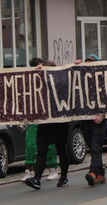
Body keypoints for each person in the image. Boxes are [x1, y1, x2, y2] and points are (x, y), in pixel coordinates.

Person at [24, 62, 71, 190]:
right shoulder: (40, 83)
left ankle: (64, 177)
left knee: (61, 150)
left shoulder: (62, 82)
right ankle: (37, 179)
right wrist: (36, 71)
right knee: (42, 150)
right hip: (45, 123)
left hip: (60, 122)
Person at [76, 54, 107, 187]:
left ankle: (93, 173)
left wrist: (103, 114)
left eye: (92, 62)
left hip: (99, 119)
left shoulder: (102, 80)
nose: (89, 65)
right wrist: (74, 66)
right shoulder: (81, 79)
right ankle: (101, 174)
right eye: (87, 62)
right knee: (92, 145)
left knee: (96, 147)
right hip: (86, 120)